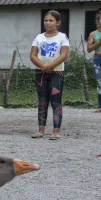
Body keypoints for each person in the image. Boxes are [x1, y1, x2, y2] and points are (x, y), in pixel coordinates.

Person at [29, 10, 69, 140]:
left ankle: (56, 131)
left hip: (56, 72)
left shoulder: (62, 37)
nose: (48, 23)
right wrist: (43, 66)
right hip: (40, 73)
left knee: (56, 102)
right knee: (42, 101)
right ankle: (41, 130)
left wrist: (50, 66)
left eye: (51, 20)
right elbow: (33, 55)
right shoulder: (38, 38)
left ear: (58, 22)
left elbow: (64, 54)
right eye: (46, 20)